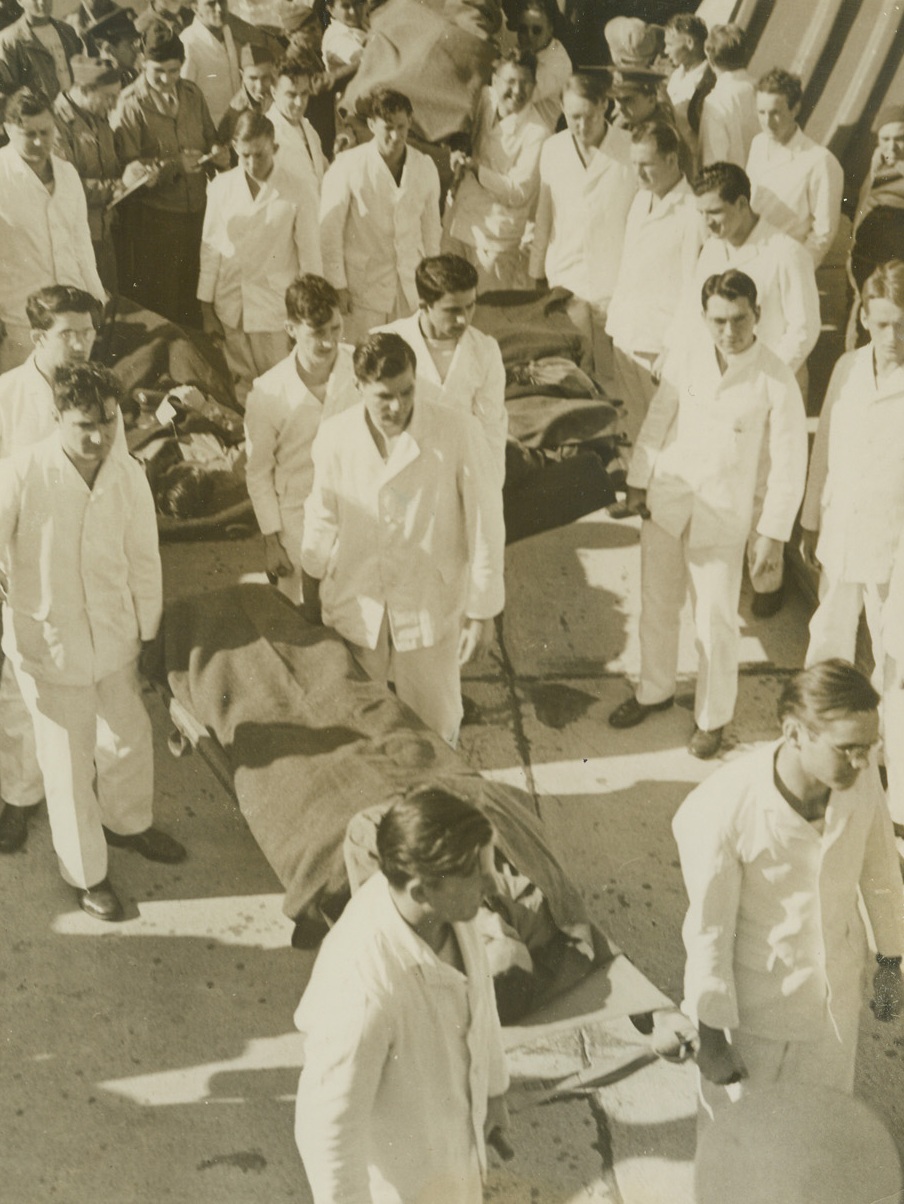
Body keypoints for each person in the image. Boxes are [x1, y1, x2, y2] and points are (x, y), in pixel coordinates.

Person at [673, 659, 904, 1122]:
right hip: (755, 1020)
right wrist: (712, 1040)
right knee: (744, 1148)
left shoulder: (858, 779)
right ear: (795, 733)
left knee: (818, 1134)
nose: (862, 762)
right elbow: (708, 936)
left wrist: (890, 965)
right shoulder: (721, 808)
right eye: (848, 749)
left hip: (833, 1008)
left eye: (869, 748)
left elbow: (881, 874)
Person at [0, 362, 185, 922]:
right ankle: (88, 874)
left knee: (128, 736)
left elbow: (144, 560)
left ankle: (128, 824)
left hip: (115, 636)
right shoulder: (21, 472)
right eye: (83, 424)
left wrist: (148, 632)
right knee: (67, 763)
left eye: (107, 421)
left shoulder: (126, 472)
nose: (97, 436)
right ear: (56, 418)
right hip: (49, 644)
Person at [609, 270, 807, 759]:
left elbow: (788, 464)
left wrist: (772, 534)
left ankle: (712, 717)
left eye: (739, 319)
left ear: (757, 315)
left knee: (714, 622)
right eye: (718, 320)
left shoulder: (775, 378)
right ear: (704, 318)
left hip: (723, 516)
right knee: (656, 604)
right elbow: (658, 419)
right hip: (668, 500)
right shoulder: (688, 358)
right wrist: (638, 480)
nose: (729, 331)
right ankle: (653, 691)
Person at [294, 785, 509, 1203]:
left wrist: (494, 1091)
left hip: (452, 1159)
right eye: (475, 872)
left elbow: (482, 1002)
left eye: (490, 862)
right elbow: (327, 1135)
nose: (495, 883)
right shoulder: (361, 990)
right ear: (421, 892)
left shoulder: (452, 913)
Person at [301, 332, 505, 744]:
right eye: (383, 396)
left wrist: (482, 612)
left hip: (428, 601)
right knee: (359, 722)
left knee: (436, 721)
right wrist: (309, 599)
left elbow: (485, 523)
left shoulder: (457, 430)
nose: (397, 406)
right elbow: (321, 518)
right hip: (359, 604)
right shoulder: (335, 437)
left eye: (406, 391)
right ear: (358, 387)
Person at [687, 161, 820, 616]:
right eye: (703, 213)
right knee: (724, 477)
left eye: (716, 213)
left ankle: (768, 581)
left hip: (771, 382)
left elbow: (805, 327)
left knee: (767, 482)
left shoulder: (786, 252)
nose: (708, 223)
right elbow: (698, 313)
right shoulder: (713, 250)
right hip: (723, 384)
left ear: (743, 204)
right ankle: (733, 566)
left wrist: (763, 374)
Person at [0, 285, 101, 856]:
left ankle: (87, 795)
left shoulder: (95, 390)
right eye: (70, 334)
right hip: (24, 558)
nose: (83, 343)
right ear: (38, 337)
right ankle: (18, 796)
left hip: (85, 553)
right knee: (22, 683)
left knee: (93, 676)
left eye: (88, 332)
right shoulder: (7, 396)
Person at [801, 261, 904, 677]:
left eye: (902, 325)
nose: (893, 338)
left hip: (894, 543)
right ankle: (821, 728)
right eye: (882, 325)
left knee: (892, 648)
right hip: (842, 528)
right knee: (828, 634)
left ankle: (888, 736)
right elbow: (823, 447)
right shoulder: (847, 368)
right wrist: (810, 519)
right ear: (863, 316)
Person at [244, 274, 356, 605]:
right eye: (317, 332)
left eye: (335, 329)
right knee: (302, 619)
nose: (328, 342)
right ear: (291, 329)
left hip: (356, 512)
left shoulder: (362, 368)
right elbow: (258, 471)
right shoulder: (268, 391)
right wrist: (272, 541)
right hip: (297, 522)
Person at [112, 21, 229, 326]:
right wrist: (173, 167)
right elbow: (127, 170)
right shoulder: (130, 104)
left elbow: (209, 136)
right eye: (158, 71)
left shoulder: (191, 93)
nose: (167, 79)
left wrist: (218, 153)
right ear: (142, 64)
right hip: (158, 220)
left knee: (196, 297)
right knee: (166, 303)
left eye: (174, 70)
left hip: (197, 211)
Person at [198, 110, 320, 402]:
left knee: (281, 384)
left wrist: (309, 311)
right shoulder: (220, 188)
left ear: (275, 149)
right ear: (235, 150)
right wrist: (206, 308)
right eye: (245, 155)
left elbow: (310, 254)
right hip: (231, 304)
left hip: (275, 306)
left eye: (260, 155)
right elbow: (211, 248)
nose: (252, 164)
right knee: (241, 386)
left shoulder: (298, 188)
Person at [529, 71, 636, 388]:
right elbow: (544, 215)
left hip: (616, 285)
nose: (581, 125)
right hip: (566, 281)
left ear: (605, 104)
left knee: (614, 378)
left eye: (588, 116)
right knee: (574, 377)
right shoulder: (553, 148)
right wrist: (536, 275)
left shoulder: (631, 149)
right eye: (573, 117)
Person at [606, 119, 702, 445]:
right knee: (635, 431)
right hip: (626, 334)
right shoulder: (639, 201)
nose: (638, 174)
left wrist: (671, 349)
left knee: (665, 433)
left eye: (646, 165)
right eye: (634, 164)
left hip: (659, 344)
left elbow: (693, 288)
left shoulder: (692, 212)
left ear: (672, 160)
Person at [320, 88, 442, 343]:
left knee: (409, 357)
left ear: (410, 122)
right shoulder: (347, 166)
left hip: (409, 287)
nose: (396, 136)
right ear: (372, 124)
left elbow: (432, 232)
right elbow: (329, 232)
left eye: (402, 126)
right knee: (362, 357)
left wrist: (432, 284)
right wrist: (337, 285)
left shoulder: (424, 166)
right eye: (388, 127)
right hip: (363, 291)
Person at [0, 86, 105, 373]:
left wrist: (97, 299)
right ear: (8, 129)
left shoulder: (67, 174)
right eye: (29, 134)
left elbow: (82, 244)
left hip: (73, 319)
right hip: (21, 321)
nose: (38, 141)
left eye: (45, 132)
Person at [379, 254, 507, 486]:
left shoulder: (486, 350)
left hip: (462, 474)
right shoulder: (386, 343)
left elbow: (492, 429)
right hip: (403, 477)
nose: (463, 319)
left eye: (470, 307)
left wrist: (490, 491)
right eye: (452, 310)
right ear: (424, 306)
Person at [443, 48, 548, 295]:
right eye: (510, 82)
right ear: (494, 81)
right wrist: (456, 148)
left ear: (534, 86)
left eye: (525, 83)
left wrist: (476, 168)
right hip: (457, 226)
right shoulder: (485, 99)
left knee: (485, 319)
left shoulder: (538, 132)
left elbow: (520, 191)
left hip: (495, 243)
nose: (518, 91)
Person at [746, 68, 843, 267]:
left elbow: (823, 233)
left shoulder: (820, 160)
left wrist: (797, 268)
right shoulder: (758, 144)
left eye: (775, 113)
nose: (767, 122)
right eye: (761, 112)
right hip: (750, 257)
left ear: (795, 109)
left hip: (785, 263)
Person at [53, 53, 130, 292]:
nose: (115, 105)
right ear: (85, 90)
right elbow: (64, 187)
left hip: (103, 231)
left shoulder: (98, 118)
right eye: (109, 97)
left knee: (108, 305)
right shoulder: (56, 125)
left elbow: (110, 167)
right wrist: (119, 185)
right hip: (76, 238)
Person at [848, 106, 904, 347]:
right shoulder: (874, 172)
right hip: (867, 279)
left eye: (900, 138)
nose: (892, 147)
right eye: (885, 139)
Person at [178, 0, 276, 127]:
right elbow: (183, 104)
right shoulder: (188, 44)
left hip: (236, 127)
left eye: (222, 1)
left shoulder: (226, 31)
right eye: (211, 3)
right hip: (210, 133)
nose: (219, 8)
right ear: (195, 7)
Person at [268, 48, 328, 203]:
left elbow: (321, 170)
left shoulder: (308, 128)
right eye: (291, 94)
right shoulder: (266, 133)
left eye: (304, 93)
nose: (300, 103)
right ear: (274, 92)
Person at [698, 24, 758, 170]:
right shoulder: (761, 88)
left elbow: (714, 161)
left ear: (710, 59)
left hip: (736, 185)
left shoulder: (716, 100)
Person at [0, 0, 83, 99]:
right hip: (42, 112)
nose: (42, 2)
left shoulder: (67, 31)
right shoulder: (9, 41)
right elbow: (9, 95)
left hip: (77, 108)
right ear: (20, 1)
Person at [515, 0, 570, 131]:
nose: (529, 36)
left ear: (550, 29)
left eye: (537, 30)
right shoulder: (530, 50)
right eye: (523, 29)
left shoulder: (559, 62)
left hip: (539, 135)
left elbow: (521, 95)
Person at [663, 12, 709, 156]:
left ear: (689, 43)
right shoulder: (677, 75)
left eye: (670, 44)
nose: (665, 51)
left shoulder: (707, 80)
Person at [215, 40, 275, 145]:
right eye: (253, 78)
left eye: (265, 77)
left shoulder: (282, 96)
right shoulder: (234, 114)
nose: (259, 87)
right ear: (242, 75)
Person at [320, 0, 365, 85]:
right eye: (346, 6)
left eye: (356, 4)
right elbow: (364, 57)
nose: (353, 11)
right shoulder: (335, 39)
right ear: (331, 10)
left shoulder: (360, 23)